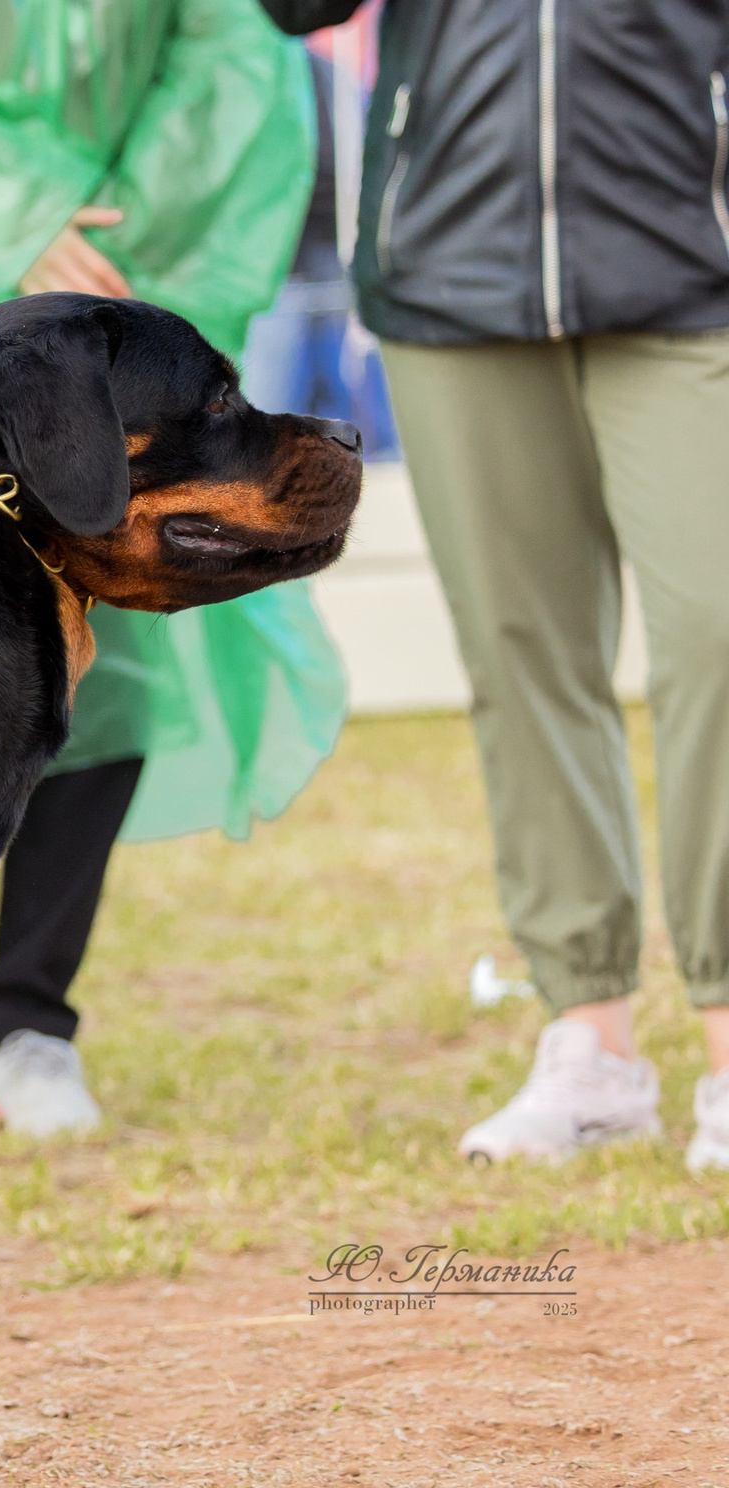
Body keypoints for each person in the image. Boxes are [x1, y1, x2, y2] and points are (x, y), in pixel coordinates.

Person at [0, 0, 347, 1135]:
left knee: (100, 663)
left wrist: (104, 246)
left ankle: (33, 1021)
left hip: (126, 271)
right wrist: (13, 210)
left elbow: (231, 61)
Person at [263, 0, 729, 1172]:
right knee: (522, 654)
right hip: (452, 268)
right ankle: (589, 1038)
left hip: (696, 265)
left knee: (718, 634)